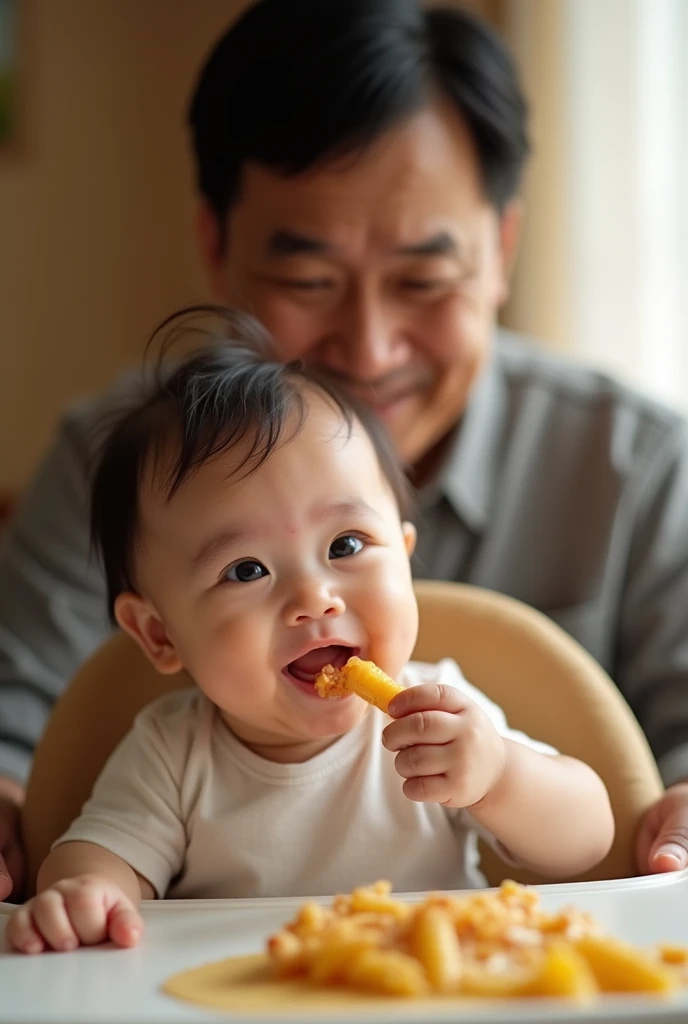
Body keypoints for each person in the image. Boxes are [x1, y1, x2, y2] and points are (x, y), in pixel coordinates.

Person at [0, 0, 687, 903]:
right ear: (216, 243)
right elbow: (15, 722)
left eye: (423, 280)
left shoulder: (637, 462)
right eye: (308, 280)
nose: (368, 351)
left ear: (502, 246)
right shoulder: (125, 467)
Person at [6, 310, 613, 953]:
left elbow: (587, 838)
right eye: (246, 569)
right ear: (159, 635)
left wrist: (499, 776)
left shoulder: (435, 713)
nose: (313, 598)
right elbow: (98, 858)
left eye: (347, 543)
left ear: (404, 558)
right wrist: (86, 894)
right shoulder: (173, 754)